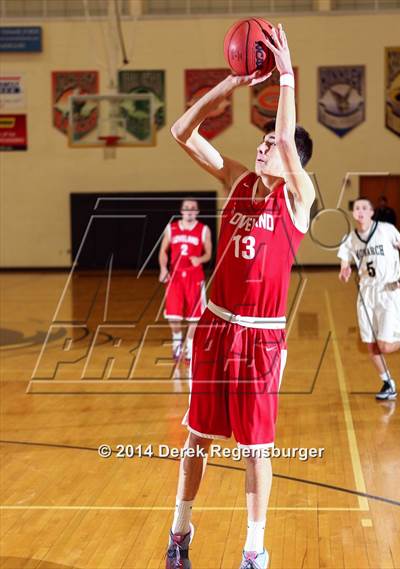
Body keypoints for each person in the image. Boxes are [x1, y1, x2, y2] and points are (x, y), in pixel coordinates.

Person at [166, 25, 315, 569]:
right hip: (215, 325)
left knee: (256, 450)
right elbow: (181, 131)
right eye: (263, 139)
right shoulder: (235, 181)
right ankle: (180, 529)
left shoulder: (300, 196)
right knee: (196, 439)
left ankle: (254, 547)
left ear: (293, 155)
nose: (263, 144)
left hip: (260, 340)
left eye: (273, 141)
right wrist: (227, 85)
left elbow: (289, 138)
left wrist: (286, 77)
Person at [338, 197, 400, 400]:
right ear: (354, 213)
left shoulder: (386, 230)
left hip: (388, 292)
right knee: (371, 345)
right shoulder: (351, 239)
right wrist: (344, 269)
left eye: (365, 207)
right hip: (366, 294)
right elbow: (345, 260)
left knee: (384, 345)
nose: (361, 211)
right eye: (357, 208)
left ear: (372, 212)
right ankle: (387, 383)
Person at [159, 198, 212, 362]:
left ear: (197, 211)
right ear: (181, 211)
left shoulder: (203, 230)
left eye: (193, 208)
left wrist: (200, 259)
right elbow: (163, 251)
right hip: (175, 276)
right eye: (186, 207)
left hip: (194, 278)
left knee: (195, 317)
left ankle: (189, 345)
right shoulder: (171, 228)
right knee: (173, 315)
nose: (189, 210)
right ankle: (176, 341)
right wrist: (163, 268)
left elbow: (209, 254)